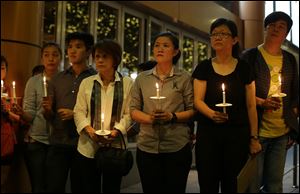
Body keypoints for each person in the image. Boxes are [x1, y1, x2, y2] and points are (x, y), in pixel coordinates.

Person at [192, 18, 262, 193]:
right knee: (208, 183)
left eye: (223, 34)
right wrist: (211, 113)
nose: (218, 37)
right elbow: (197, 100)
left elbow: (251, 105)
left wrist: (254, 138)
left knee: (233, 184)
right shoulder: (204, 67)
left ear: (235, 40)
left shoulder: (244, 68)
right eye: (214, 34)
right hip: (208, 134)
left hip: (237, 135)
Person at [241, 11, 299, 193]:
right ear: (265, 28)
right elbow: (240, 92)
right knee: (253, 185)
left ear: (286, 34)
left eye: (281, 26)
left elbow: (295, 93)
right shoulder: (249, 56)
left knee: (275, 186)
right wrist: (260, 102)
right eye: (272, 24)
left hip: (281, 133)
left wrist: (291, 122)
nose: (276, 28)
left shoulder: (290, 59)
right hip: (257, 133)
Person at [130, 31, 195, 193]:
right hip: (147, 146)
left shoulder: (184, 78)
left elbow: (193, 110)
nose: (160, 49)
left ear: (175, 52)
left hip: (177, 145)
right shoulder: (142, 79)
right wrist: (149, 118)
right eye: (157, 45)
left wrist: (172, 117)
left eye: (165, 45)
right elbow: (133, 110)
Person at [73, 39, 133, 193]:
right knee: (89, 187)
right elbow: (79, 111)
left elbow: (129, 113)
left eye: (104, 56)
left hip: (115, 148)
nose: (99, 60)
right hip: (88, 146)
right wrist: (90, 130)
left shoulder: (127, 83)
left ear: (115, 59)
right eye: (97, 56)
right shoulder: (87, 82)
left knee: (112, 188)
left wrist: (116, 131)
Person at [42, 32, 97, 192]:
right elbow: (49, 117)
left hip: (84, 143)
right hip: (59, 142)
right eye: (70, 47)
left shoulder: (95, 78)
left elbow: (99, 112)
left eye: (78, 47)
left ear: (88, 52)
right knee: (54, 186)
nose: (72, 51)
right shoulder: (58, 79)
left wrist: (75, 114)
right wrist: (47, 110)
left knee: (81, 187)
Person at [11, 42, 62, 192]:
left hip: (59, 141)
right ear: (41, 59)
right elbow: (30, 116)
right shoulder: (33, 82)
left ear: (60, 58)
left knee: (55, 186)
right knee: (38, 186)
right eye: (46, 55)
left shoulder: (65, 81)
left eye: (55, 55)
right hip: (37, 141)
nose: (51, 58)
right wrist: (22, 112)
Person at [1, 55, 20, 193]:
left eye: (2, 68)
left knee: (3, 179)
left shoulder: (8, 91)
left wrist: (11, 112)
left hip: (6, 140)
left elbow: (16, 117)